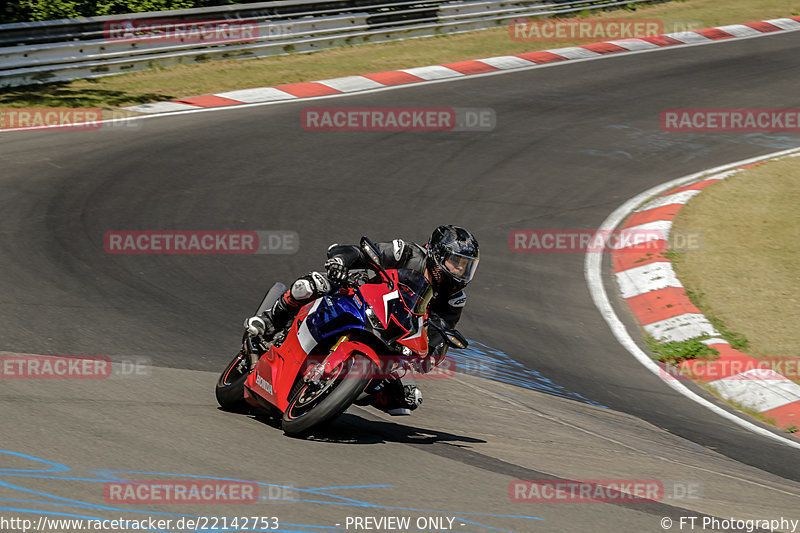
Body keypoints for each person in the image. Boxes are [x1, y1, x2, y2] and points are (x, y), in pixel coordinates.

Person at [245, 225, 479, 415]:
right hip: (360, 296)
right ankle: (269, 320)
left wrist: (432, 353)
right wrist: (341, 262)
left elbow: (443, 331)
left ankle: (341, 390)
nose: (460, 271)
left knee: (405, 400)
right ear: (438, 254)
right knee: (310, 285)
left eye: (466, 267)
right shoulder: (408, 253)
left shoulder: (455, 298)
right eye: (456, 262)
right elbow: (365, 252)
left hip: (394, 334)